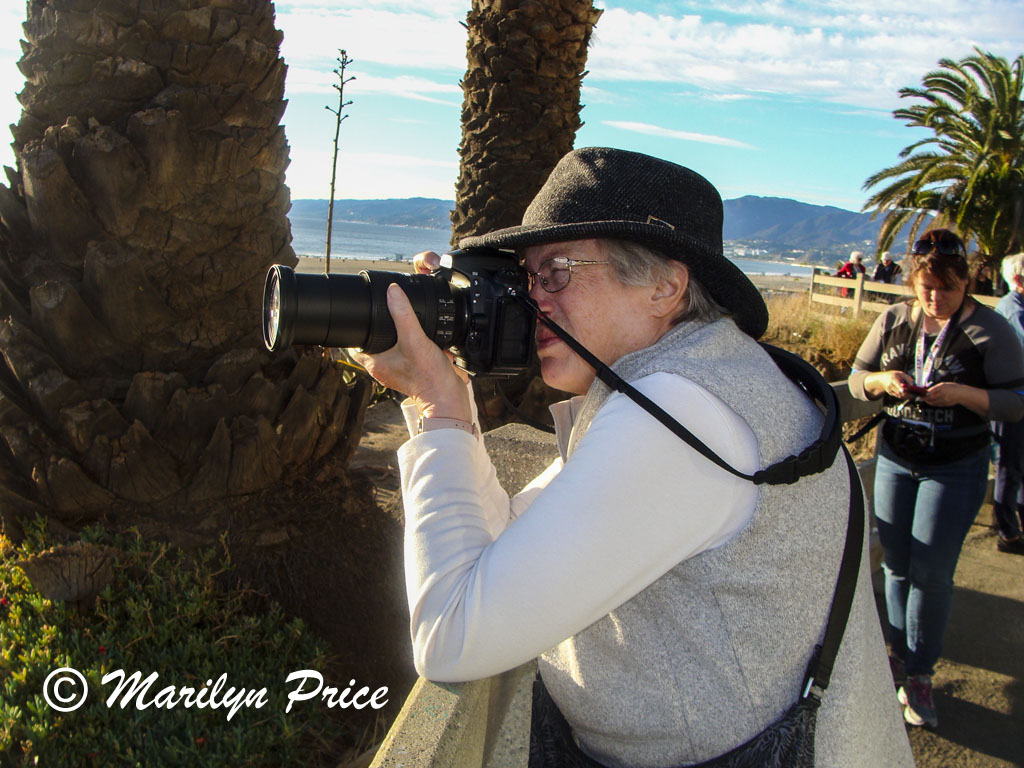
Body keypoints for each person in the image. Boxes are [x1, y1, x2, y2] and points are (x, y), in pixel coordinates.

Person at [354, 147, 912, 766]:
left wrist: (441, 406)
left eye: (557, 271)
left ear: (665, 286)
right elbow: (513, 541)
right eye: (526, 277)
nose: (531, 300)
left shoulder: (677, 412)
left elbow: (450, 636)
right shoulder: (705, 374)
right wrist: (451, 387)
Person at [849, 228, 1024, 729]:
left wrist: (963, 396)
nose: (934, 298)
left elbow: (1015, 403)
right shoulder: (894, 320)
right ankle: (899, 657)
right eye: (925, 286)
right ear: (913, 281)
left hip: (955, 467)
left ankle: (920, 672)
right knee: (897, 567)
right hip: (896, 461)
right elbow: (858, 377)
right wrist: (883, 381)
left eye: (946, 288)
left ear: (965, 281)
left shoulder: (991, 331)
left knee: (931, 572)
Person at [991, 253, 1024, 554]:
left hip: (1015, 400)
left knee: (1015, 464)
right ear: (1018, 279)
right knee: (1009, 465)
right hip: (1012, 401)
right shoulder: (1013, 311)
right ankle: (1007, 530)